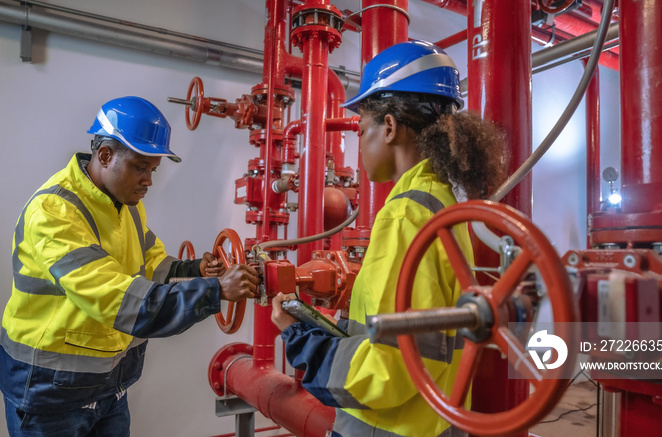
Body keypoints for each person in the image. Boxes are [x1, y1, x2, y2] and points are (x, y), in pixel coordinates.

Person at [271, 41, 508, 436]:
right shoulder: (439, 202)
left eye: (362, 129)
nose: (360, 142)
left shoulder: (403, 216)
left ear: (390, 127)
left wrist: (299, 338)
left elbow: (387, 371)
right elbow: (420, 341)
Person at [0, 96, 259, 437]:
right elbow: (116, 298)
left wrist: (195, 270)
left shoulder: (126, 204)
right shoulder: (55, 213)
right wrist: (216, 291)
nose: (149, 181)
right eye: (140, 167)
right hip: (51, 389)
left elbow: (148, 260)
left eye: (153, 170)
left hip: (109, 383)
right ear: (105, 156)